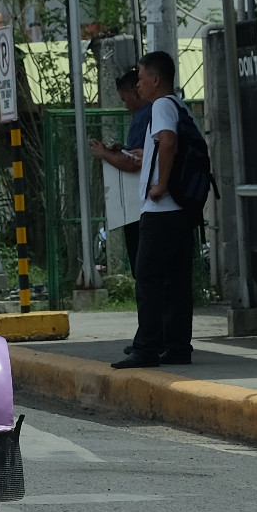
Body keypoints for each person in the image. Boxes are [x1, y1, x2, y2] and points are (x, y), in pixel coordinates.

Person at [114, 50, 204, 369]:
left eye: (140, 77)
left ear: (155, 79)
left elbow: (167, 143)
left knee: (148, 278)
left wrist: (161, 184)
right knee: (178, 281)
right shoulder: (180, 105)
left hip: (161, 210)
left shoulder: (162, 105)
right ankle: (178, 346)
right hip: (181, 211)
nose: (137, 84)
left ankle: (147, 347)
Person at [88, 66, 148, 274]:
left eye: (125, 99)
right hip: (149, 205)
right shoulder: (151, 114)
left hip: (141, 206)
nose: (126, 105)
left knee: (143, 268)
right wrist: (121, 151)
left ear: (135, 92)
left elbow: (134, 163)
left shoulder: (143, 117)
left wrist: (105, 154)